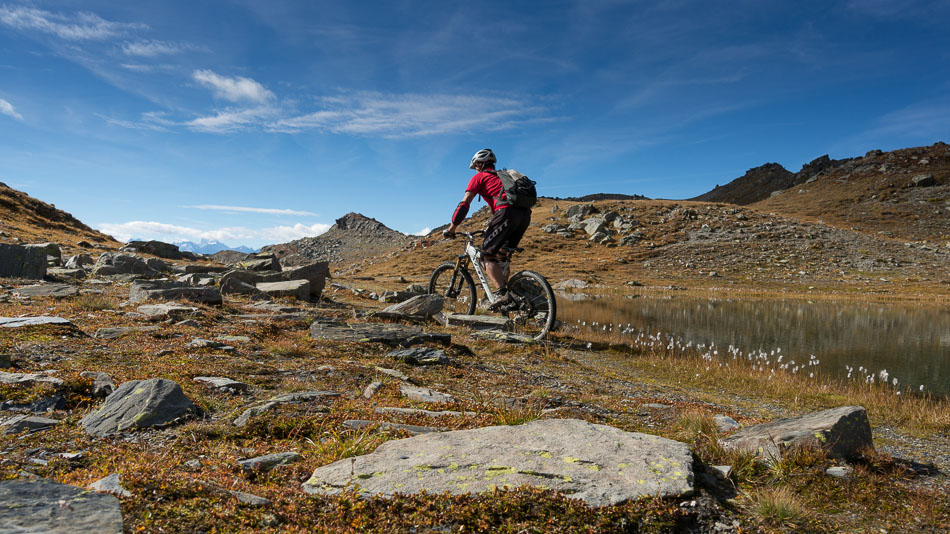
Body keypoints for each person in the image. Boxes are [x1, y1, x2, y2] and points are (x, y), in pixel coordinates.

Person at [443, 148, 531, 309]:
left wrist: (452, 228)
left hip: (506, 213)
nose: (475, 169)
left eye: (476, 166)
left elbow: (464, 204)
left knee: (486, 255)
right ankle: (509, 299)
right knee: (501, 255)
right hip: (525, 215)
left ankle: (502, 294)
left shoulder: (479, 177)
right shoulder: (503, 178)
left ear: (479, 164)